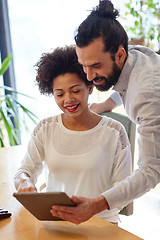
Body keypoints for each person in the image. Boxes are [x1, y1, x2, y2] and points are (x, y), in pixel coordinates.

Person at [14, 45, 132, 224]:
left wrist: (94, 206)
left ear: (90, 87)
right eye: (59, 94)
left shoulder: (114, 132)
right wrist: (25, 181)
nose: (68, 99)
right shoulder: (45, 129)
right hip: (56, 223)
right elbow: (24, 171)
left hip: (101, 224)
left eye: (75, 91)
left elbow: (125, 191)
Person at [73, 0, 160, 219]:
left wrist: (98, 204)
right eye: (84, 66)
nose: (89, 76)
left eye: (95, 66)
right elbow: (126, 82)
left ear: (120, 55)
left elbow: (151, 171)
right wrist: (107, 104)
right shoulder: (134, 57)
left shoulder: (146, 95)